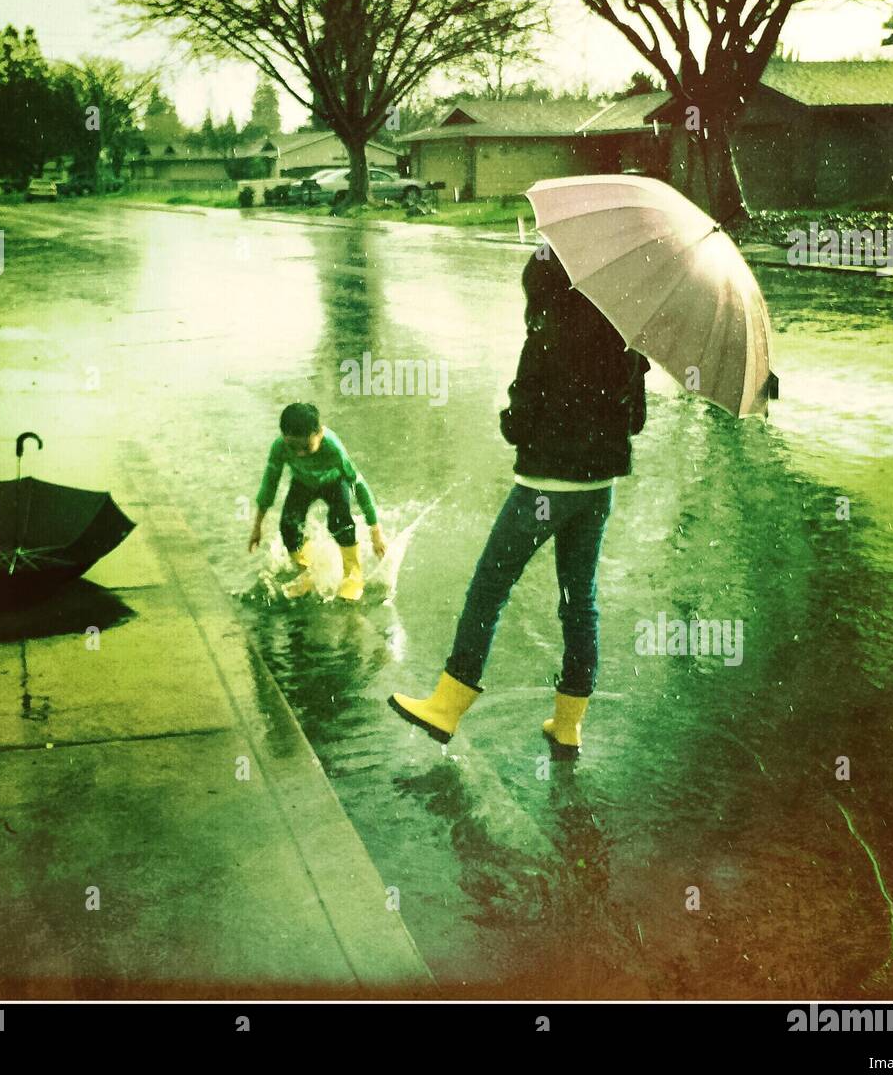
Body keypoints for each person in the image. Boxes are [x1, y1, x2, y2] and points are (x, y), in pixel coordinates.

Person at [389, 245, 648, 757]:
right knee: (580, 601)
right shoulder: (625, 339)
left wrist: (508, 414)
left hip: (544, 490)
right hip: (598, 491)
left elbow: (520, 425)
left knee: (490, 586)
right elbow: (635, 422)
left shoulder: (545, 339)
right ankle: (569, 723)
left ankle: (447, 704)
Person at [249, 402, 386, 601]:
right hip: (303, 483)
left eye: (306, 447)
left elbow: (359, 485)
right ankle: (307, 570)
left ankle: (353, 575)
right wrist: (257, 526)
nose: (299, 453)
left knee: (339, 523)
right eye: (292, 446)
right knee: (288, 527)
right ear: (283, 437)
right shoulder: (279, 447)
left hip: (333, 481)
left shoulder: (332, 446)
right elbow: (268, 487)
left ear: (319, 433)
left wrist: (376, 532)